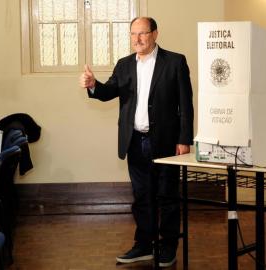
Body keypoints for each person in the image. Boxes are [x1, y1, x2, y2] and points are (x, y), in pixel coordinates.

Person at [79, 17, 194, 268]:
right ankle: (144, 245)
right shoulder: (124, 65)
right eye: (133, 34)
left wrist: (184, 139)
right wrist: (93, 86)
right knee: (142, 197)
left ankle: (167, 247)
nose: (137, 39)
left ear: (154, 34)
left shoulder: (174, 62)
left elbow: (186, 104)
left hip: (166, 143)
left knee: (167, 196)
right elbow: (109, 91)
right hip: (135, 142)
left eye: (142, 33)